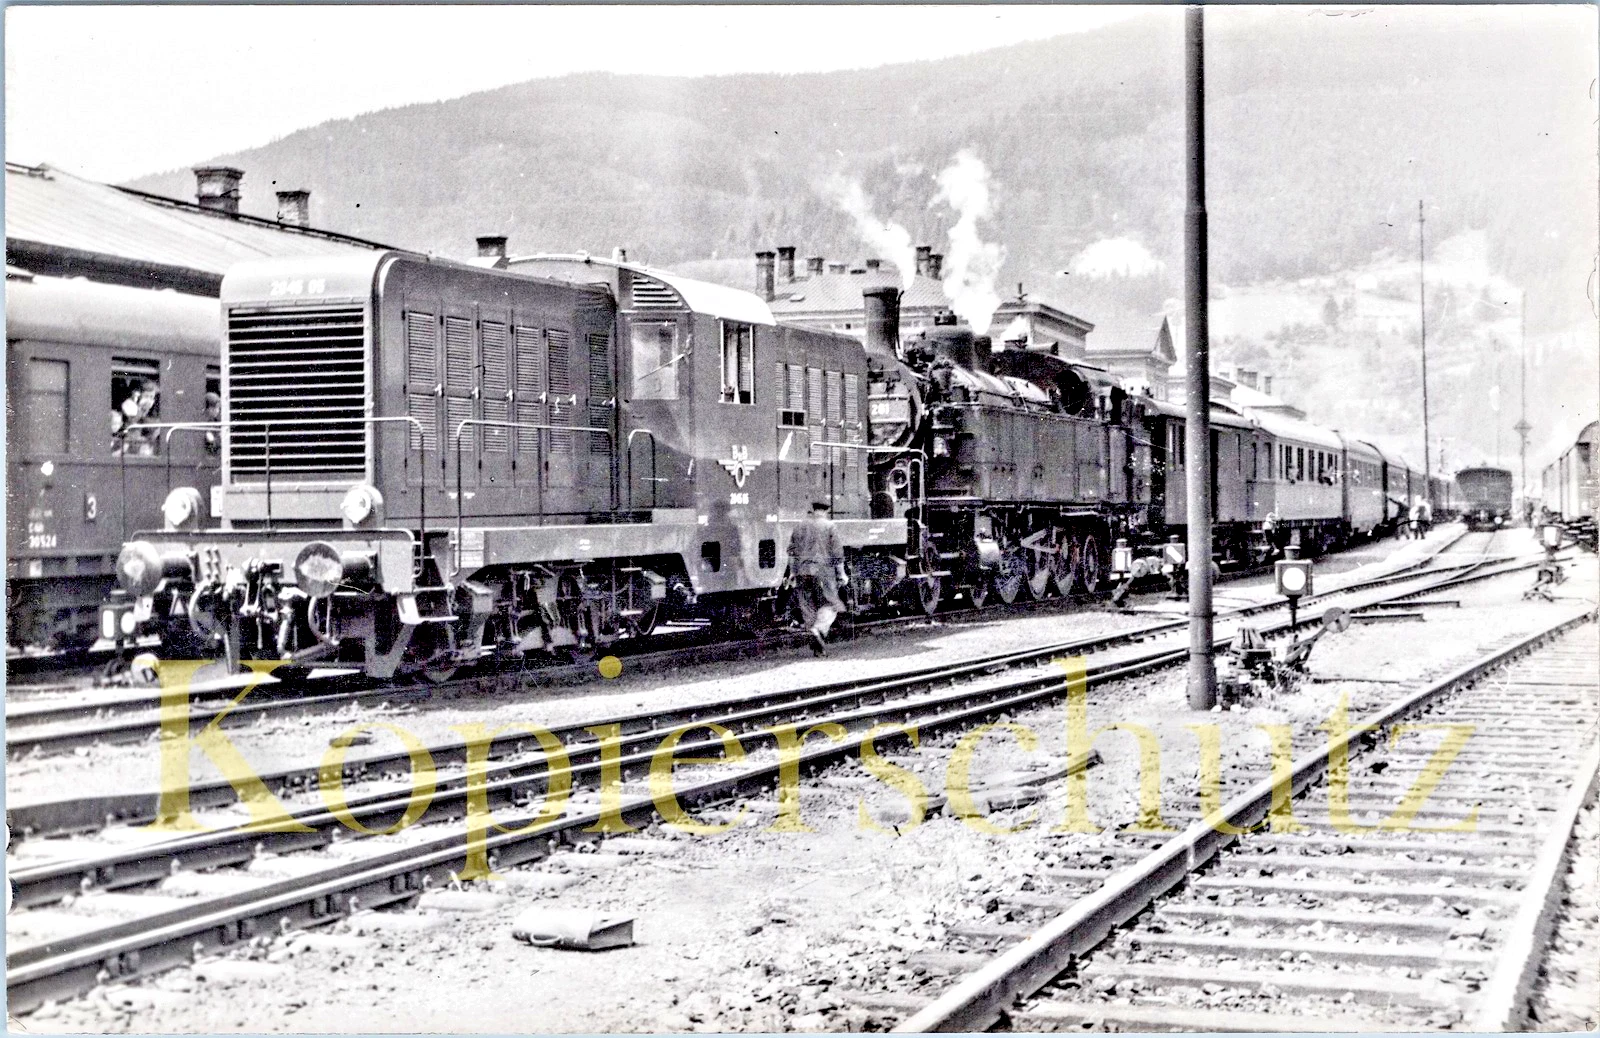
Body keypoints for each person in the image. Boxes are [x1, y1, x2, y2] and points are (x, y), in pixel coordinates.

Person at [788, 501, 847, 655]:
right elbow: (837, 554)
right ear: (826, 510)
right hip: (823, 572)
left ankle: (817, 648)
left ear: (813, 510)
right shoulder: (829, 526)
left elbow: (792, 554)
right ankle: (819, 629)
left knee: (807, 605)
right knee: (831, 603)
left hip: (802, 571)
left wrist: (793, 573)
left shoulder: (799, 526)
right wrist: (841, 574)